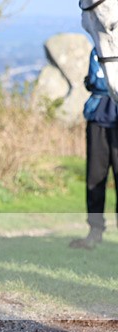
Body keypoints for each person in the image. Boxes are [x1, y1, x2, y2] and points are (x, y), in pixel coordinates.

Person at [71, 48, 118, 249]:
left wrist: (100, 84)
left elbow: (97, 82)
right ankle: (95, 231)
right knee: (94, 179)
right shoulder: (99, 49)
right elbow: (97, 81)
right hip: (97, 119)